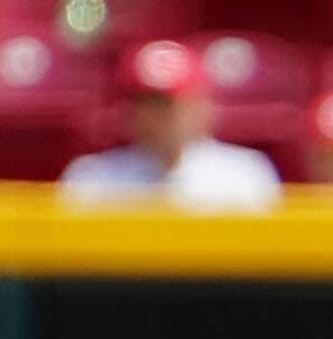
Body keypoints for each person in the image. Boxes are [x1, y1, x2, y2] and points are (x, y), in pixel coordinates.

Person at [59, 39, 281, 212]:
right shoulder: (92, 179)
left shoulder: (244, 174)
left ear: (201, 106)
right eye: (147, 104)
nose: (159, 118)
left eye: (170, 105)